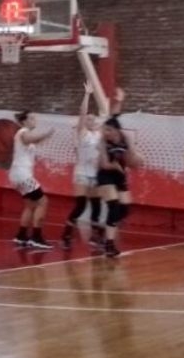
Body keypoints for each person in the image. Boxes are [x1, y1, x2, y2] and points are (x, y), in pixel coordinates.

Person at [61, 84, 124, 250]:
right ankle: (66, 234)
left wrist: (118, 101)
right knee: (81, 205)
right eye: (89, 119)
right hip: (82, 173)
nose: (91, 120)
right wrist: (87, 94)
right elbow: (82, 114)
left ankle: (96, 237)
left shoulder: (99, 135)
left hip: (95, 174)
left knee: (96, 205)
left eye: (93, 119)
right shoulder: (82, 134)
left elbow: (112, 117)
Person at [96, 114, 141, 257]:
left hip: (120, 175)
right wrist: (115, 166)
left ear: (116, 130)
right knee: (113, 206)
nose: (105, 132)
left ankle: (105, 228)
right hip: (105, 174)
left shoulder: (125, 138)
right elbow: (104, 164)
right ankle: (109, 244)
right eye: (104, 130)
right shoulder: (102, 141)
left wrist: (137, 160)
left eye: (108, 130)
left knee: (125, 209)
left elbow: (131, 157)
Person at [9, 110, 55, 250]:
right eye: (31, 118)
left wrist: (46, 137)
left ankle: (21, 235)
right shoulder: (23, 132)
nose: (34, 120)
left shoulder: (25, 134)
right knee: (43, 202)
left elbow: (35, 140)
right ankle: (36, 237)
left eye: (35, 118)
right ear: (24, 121)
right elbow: (30, 139)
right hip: (22, 175)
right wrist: (46, 133)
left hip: (18, 175)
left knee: (30, 205)